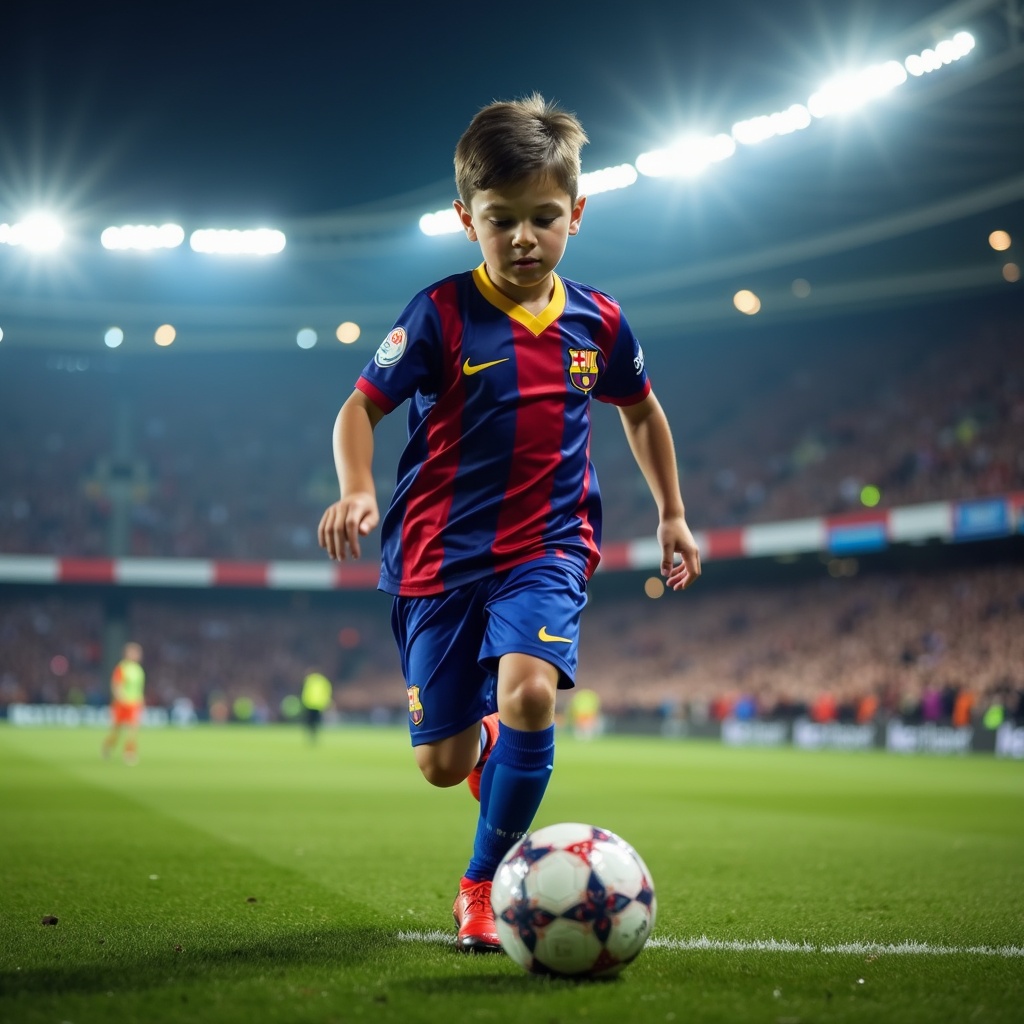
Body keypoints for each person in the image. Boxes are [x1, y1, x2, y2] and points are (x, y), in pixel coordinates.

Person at [318, 93, 701, 953]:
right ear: (466, 220)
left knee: (530, 692)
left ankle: (483, 885)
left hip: (548, 546)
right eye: (502, 220)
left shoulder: (598, 321)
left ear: (576, 214)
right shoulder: (440, 315)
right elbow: (357, 407)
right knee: (442, 765)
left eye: (544, 218)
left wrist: (673, 514)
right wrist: (355, 487)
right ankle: (484, 735)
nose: (524, 237)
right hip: (435, 556)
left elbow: (641, 412)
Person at [101, 641, 145, 765]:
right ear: (127, 654)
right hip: (121, 704)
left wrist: (141, 700)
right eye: (134, 652)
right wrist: (120, 697)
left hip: (134, 703)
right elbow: (116, 685)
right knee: (116, 731)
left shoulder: (138, 670)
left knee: (133, 730)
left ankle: (129, 753)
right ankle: (108, 746)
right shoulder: (122, 668)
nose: (137, 655)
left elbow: (139, 688)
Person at [300, 667, 333, 743]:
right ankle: (313, 734)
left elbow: (305, 692)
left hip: (310, 704)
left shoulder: (309, 680)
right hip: (318, 704)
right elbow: (327, 692)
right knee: (315, 721)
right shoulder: (323, 681)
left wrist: (304, 701)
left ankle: (312, 734)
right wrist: (326, 702)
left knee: (310, 721)